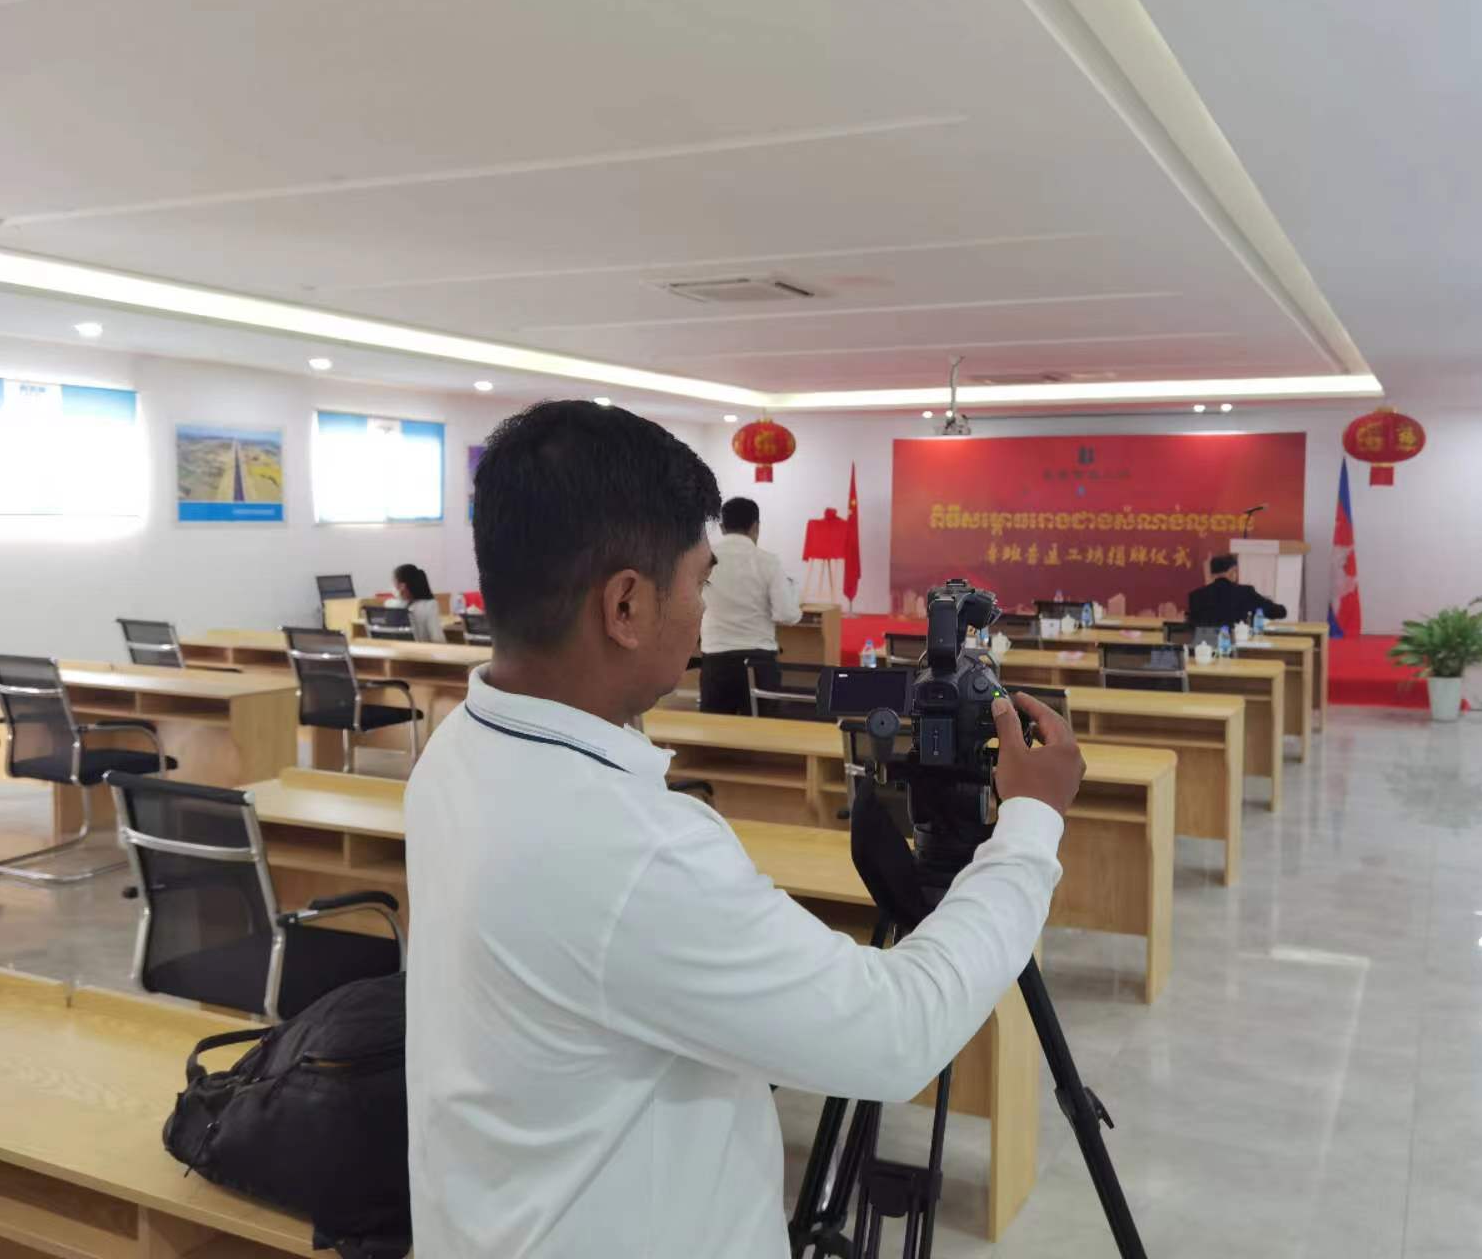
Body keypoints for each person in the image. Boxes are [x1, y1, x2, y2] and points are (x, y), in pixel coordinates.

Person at [404, 400, 1084, 1258]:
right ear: (625, 605)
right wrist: (1030, 822)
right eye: (700, 581)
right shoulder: (635, 852)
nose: (703, 610)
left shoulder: (457, 746)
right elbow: (896, 1034)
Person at [697, 495, 802, 714]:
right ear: (755, 527)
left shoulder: (704, 559)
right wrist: (793, 594)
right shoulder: (768, 561)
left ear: (722, 527)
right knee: (761, 731)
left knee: (713, 730)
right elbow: (786, 614)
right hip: (758, 663)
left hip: (716, 660)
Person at [1186, 553, 1288, 629]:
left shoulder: (1195, 596)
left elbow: (1192, 626)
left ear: (1212, 574)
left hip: (1205, 648)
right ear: (1232, 571)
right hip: (1238, 646)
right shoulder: (1246, 592)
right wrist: (1270, 603)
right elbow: (1278, 612)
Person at [391, 563, 445, 642]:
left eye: (394, 583)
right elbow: (438, 638)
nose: (393, 587)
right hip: (420, 649)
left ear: (402, 586)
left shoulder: (394, 605)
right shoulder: (429, 605)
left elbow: (437, 639)